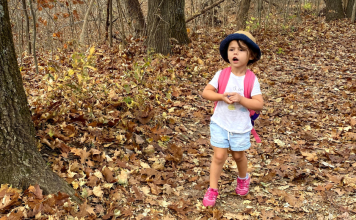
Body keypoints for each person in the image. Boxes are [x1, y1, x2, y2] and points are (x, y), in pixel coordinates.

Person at [201, 31, 263, 207]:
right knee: (219, 156)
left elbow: (259, 104)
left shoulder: (251, 79)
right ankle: (212, 189)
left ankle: (243, 178)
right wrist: (221, 97)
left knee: (238, 155)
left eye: (241, 50)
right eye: (231, 49)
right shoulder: (221, 74)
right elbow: (206, 92)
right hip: (220, 122)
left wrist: (242, 99)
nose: (235, 53)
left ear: (250, 55)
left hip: (240, 126)